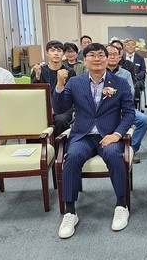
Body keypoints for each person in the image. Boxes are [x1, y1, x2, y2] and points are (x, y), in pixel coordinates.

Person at [53, 43, 135, 238]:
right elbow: (60, 107)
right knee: (71, 157)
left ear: (108, 59)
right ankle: (70, 211)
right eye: (92, 55)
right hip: (83, 135)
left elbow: (129, 113)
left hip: (109, 135)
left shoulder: (120, 82)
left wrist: (117, 134)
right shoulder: (75, 82)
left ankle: (121, 205)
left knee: (115, 156)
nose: (97, 59)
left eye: (101, 55)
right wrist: (59, 85)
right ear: (85, 59)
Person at [105, 44, 147, 164]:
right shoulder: (99, 73)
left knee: (143, 120)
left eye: (115, 54)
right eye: (109, 54)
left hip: (123, 108)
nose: (112, 57)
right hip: (104, 110)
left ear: (120, 57)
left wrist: (111, 93)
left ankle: (132, 148)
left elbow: (130, 93)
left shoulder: (125, 74)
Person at [31, 40, 76, 140]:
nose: (56, 53)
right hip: (42, 107)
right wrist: (37, 76)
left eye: (59, 50)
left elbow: (71, 95)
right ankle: (37, 150)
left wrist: (55, 107)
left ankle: (59, 150)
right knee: (32, 119)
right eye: (52, 50)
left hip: (63, 107)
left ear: (63, 54)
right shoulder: (39, 70)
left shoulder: (69, 71)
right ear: (47, 53)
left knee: (61, 119)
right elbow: (34, 94)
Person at [123, 38, 146, 107]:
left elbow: (143, 70)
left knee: (136, 85)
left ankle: (135, 103)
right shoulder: (121, 57)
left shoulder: (140, 58)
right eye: (128, 45)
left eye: (133, 45)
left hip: (137, 80)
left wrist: (137, 77)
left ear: (135, 47)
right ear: (125, 47)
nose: (130, 46)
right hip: (124, 78)